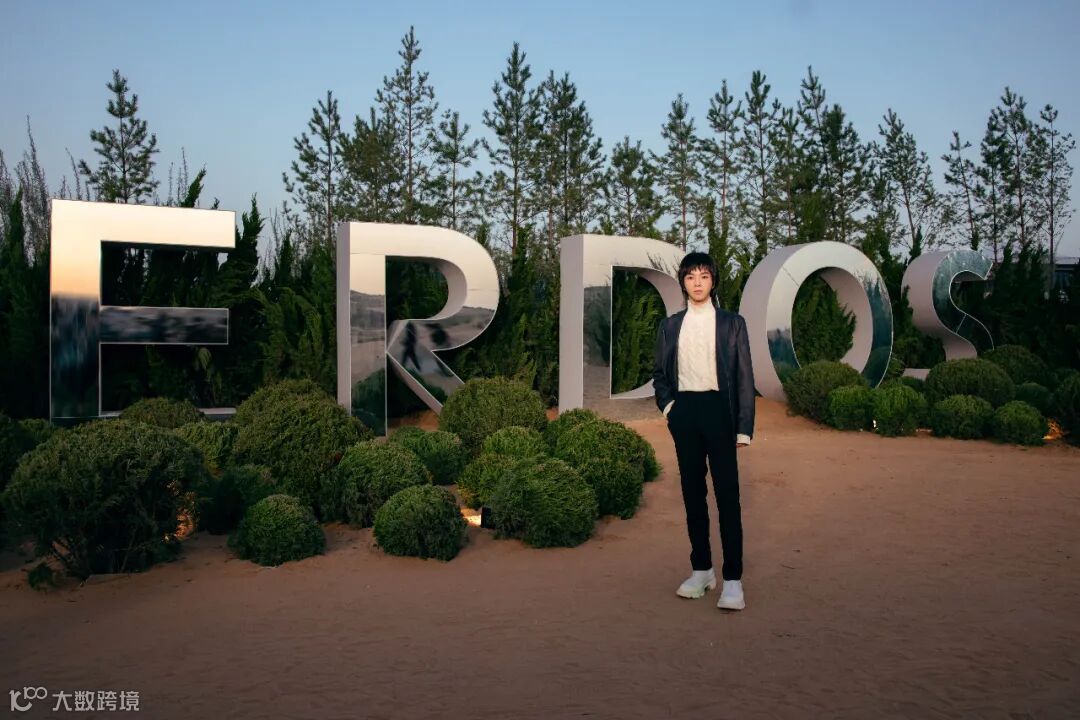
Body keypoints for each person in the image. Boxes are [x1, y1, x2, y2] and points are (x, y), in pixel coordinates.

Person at [652, 251, 755, 611]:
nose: (697, 283)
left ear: (713, 281)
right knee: (693, 495)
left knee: (728, 496)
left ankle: (733, 580)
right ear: (683, 282)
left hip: (720, 412)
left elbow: (744, 376)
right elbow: (660, 374)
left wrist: (743, 428)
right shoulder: (670, 326)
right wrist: (670, 409)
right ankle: (702, 570)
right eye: (691, 277)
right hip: (685, 413)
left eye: (704, 276)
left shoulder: (732, 323)